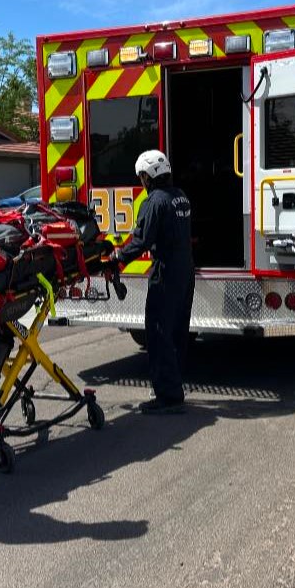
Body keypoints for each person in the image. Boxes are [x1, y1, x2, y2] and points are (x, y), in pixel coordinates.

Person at [112, 149, 195, 413]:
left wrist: (118, 257)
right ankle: (175, 383)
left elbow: (142, 240)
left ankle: (168, 397)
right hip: (185, 270)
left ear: (148, 176)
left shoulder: (154, 201)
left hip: (167, 271)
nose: (141, 182)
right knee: (178, 331)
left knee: (158, 333)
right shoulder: (180, 197)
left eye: (142, 177)